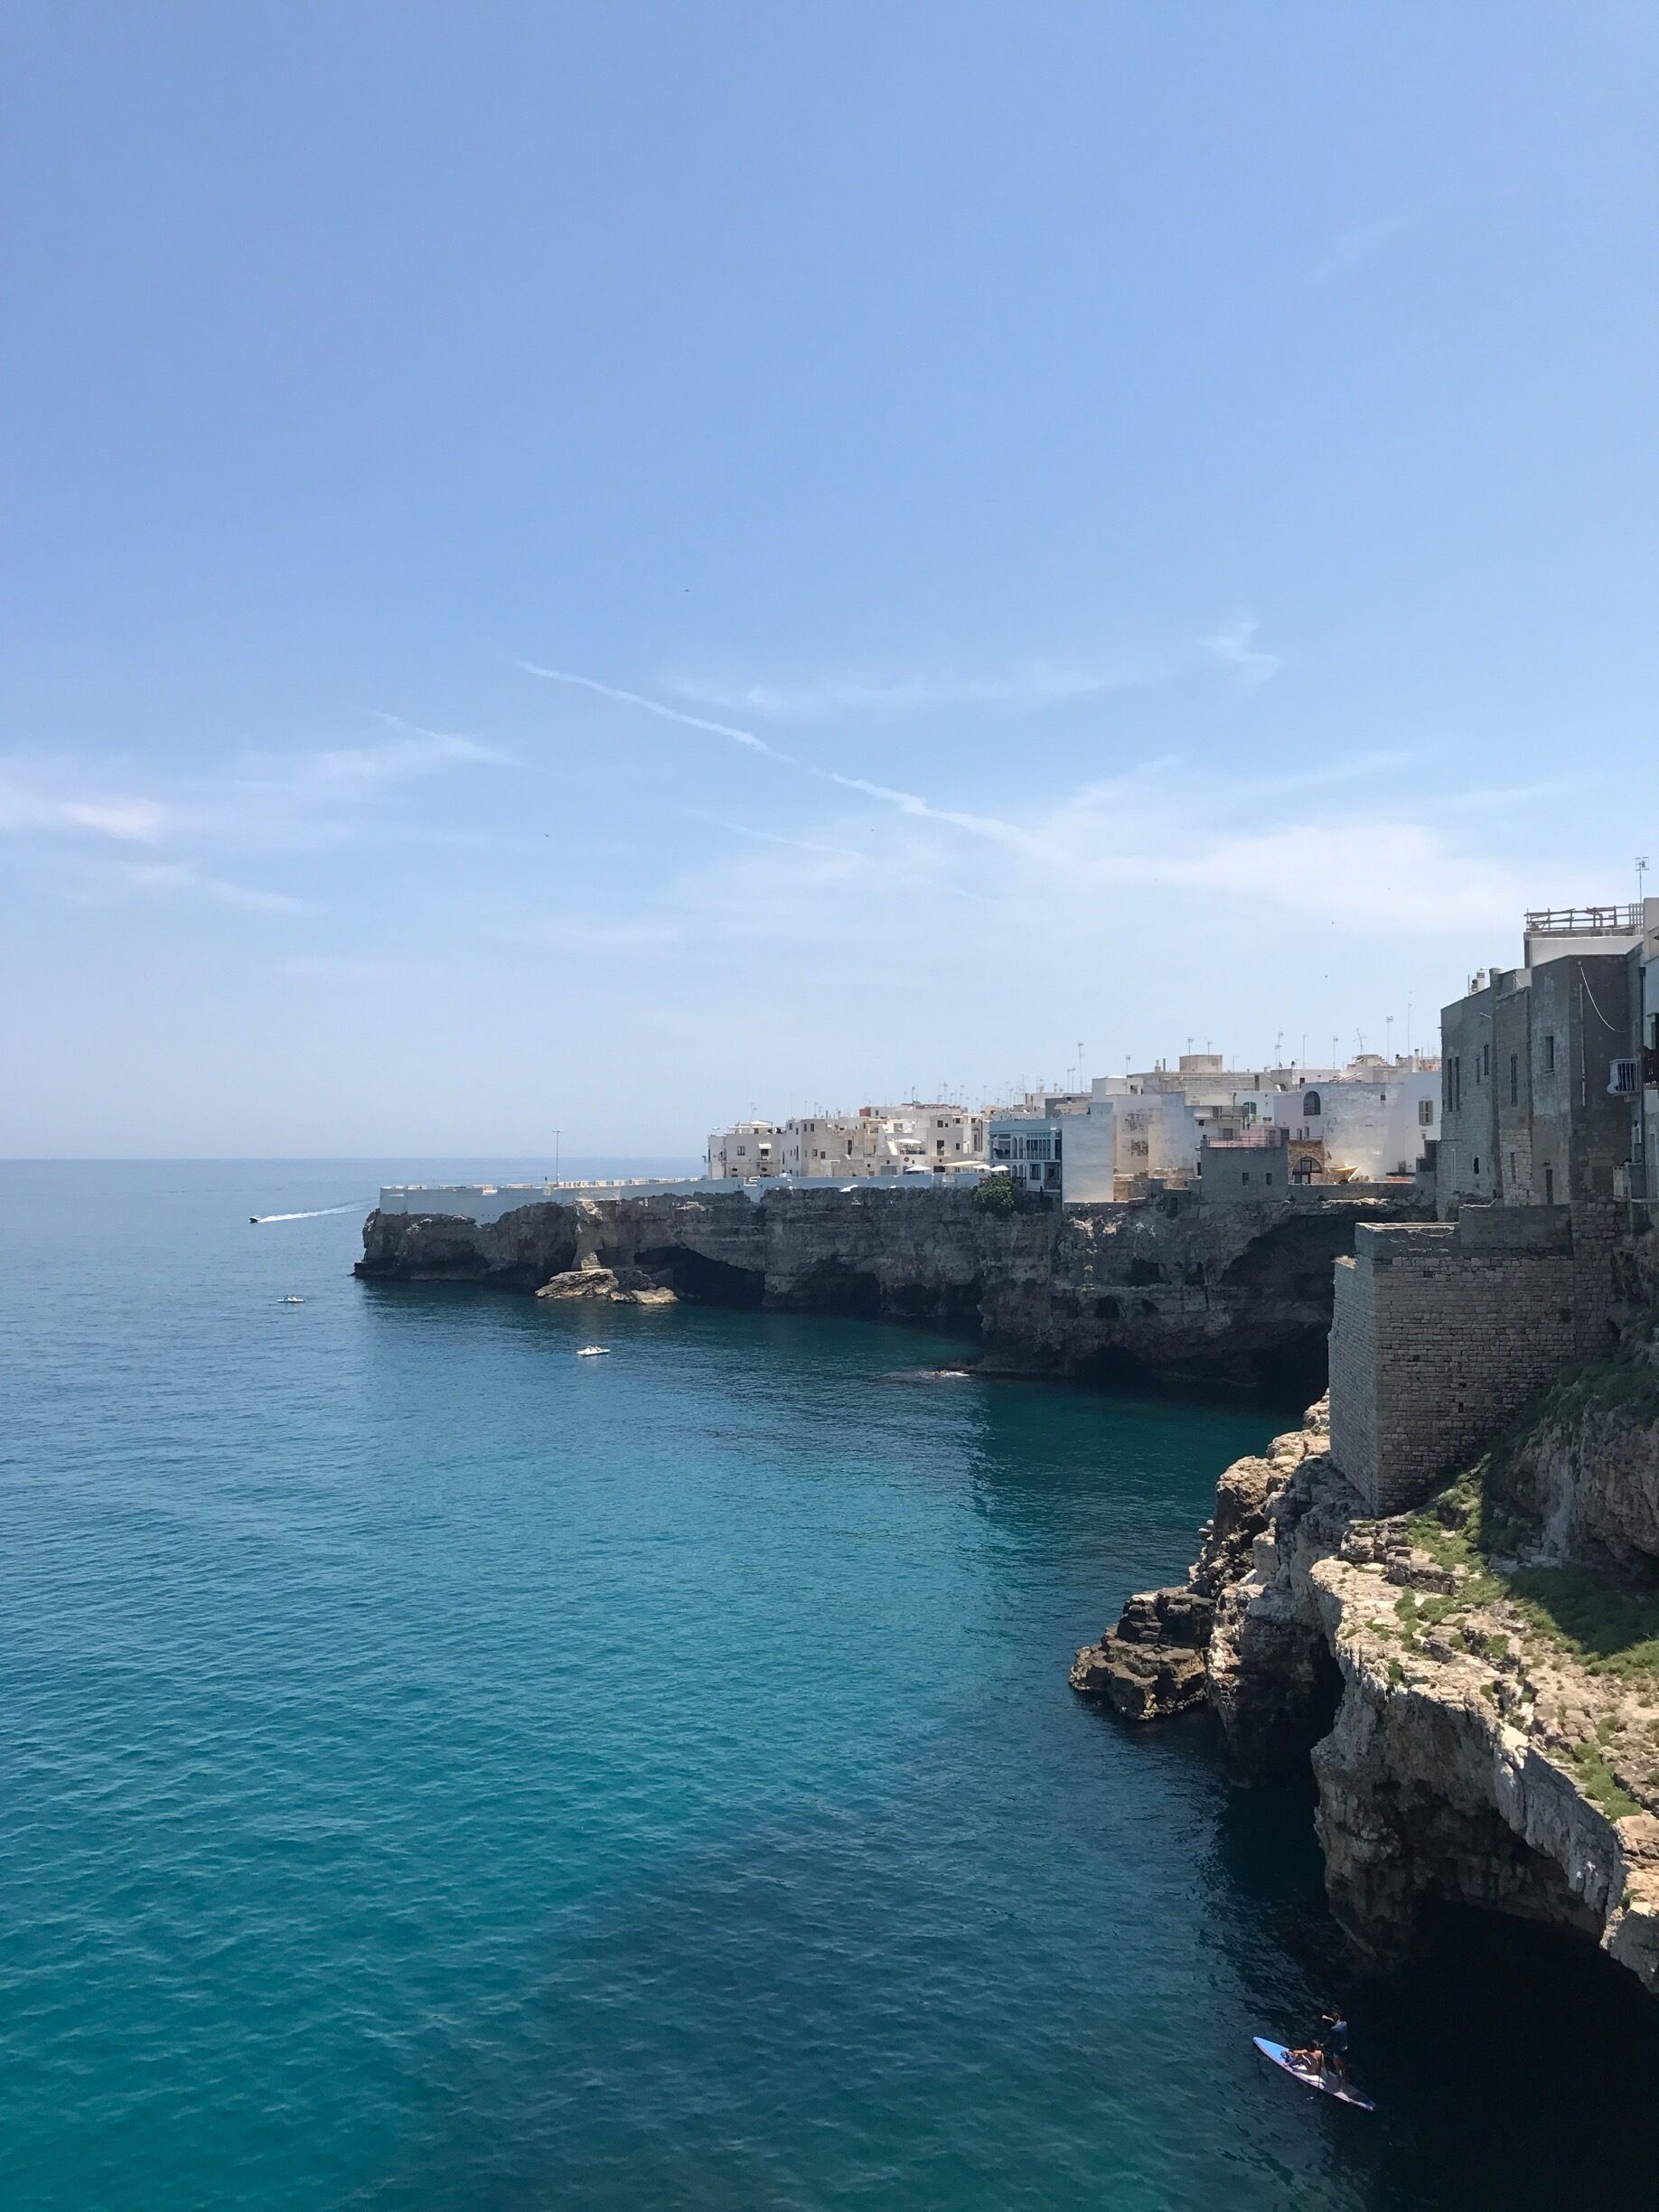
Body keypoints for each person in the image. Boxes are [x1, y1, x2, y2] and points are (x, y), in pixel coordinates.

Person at [1321, 2011, 1350, 2085]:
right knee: (1343, 2065)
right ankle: (1346, 2079)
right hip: (1345, 2048)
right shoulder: (1345, 2023)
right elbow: (1335, 2020)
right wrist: (1327, 2018)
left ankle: (1339, 2086)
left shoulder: (1333, 2029)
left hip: (1337, 2050)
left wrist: (1323, 2044)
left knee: (1338, 2067)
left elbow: (1329, 2039)